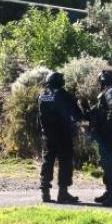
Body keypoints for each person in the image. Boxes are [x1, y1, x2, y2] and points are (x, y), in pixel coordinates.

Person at [38, 71, 82, 204]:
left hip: (47, 134)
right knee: (65, 163)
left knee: (47, 162)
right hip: (63, 134)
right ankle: (63, 193)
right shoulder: (64, 95)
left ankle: (45, 192)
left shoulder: (42, 95)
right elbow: (77, 114)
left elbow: (38, 116)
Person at [81, 70, 112, 207]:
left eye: (101, 80)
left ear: (104, 80)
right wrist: (87, 111)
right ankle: (110, 192)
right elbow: (100, 111)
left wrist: (106, 128)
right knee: (106, 161)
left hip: (107, 133)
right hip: (104, 133)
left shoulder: (111, 92)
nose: (99, 83)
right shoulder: (109, 91)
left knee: (108, 162)